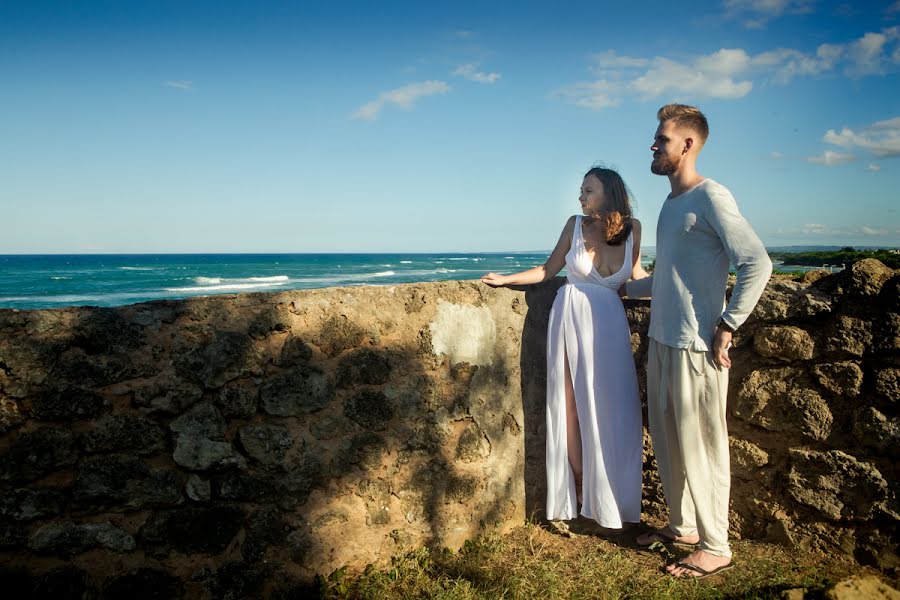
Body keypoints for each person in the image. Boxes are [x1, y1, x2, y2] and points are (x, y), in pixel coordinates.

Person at [625, 104, 772, 578]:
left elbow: (757, 263)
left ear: (687, 145)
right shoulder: (671, 205)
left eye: (661, 139)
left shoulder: (712, 196)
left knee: (703, 446)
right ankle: (683, 526)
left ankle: (716, 545)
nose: (653, 145)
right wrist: (620, 285)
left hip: (695, 346)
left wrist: (728, 324)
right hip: (663, 339)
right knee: (668, 445)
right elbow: (666, 278)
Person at [482, 167, 647, 530]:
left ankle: (613, 496)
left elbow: (636, 278)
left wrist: (678, 280)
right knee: (569, 406)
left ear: (610, 194)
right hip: (569, 317)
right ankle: (582, 490)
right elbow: (547, 270)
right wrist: (506, 279)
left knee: (613, 409)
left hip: (608, 325)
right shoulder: (575, 224)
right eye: (581, 189)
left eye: (588, 189)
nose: (581, 196)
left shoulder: (632, 229)